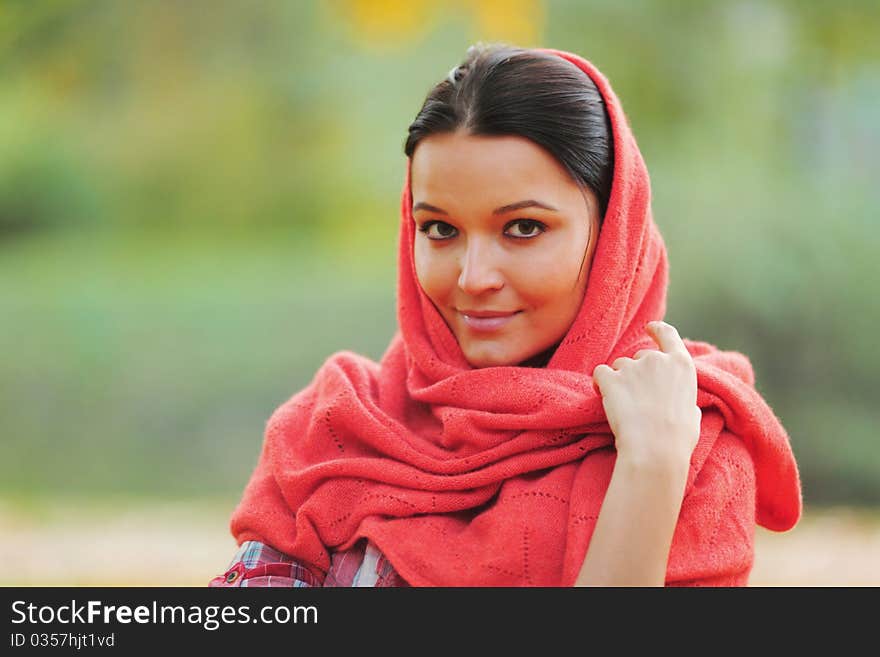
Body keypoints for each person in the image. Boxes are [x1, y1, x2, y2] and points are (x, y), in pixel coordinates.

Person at [210, 44, 801, 588]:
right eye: (440, 229)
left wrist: (649, 469)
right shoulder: (333, 428)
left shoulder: (689, 444)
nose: (473, 278)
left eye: (523, 228)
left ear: (612, 236)